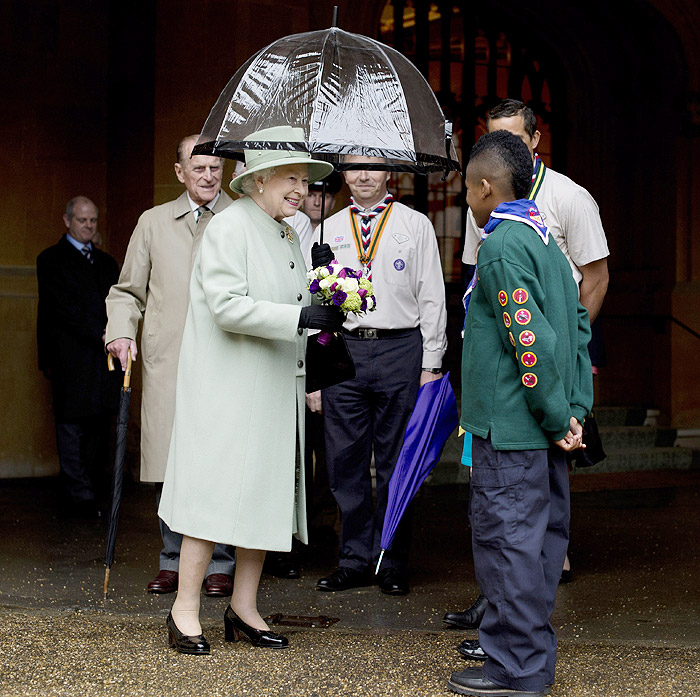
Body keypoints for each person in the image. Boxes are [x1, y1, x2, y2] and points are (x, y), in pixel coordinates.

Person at [157, 125, 341, 655]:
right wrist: (298, 313)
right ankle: (184, 610)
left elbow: (287, 302)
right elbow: (225, 304)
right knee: (211, 499)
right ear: (258, 179)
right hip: (229, 389)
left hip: (273, 386)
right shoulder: (230, 227)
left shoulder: (286, 233)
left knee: (264, 498)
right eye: (291, 177)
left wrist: (324, 292)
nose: (301, 189)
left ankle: (244, 607)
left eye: (305, 180)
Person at [445, 98, 610, 637]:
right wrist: (576, 407)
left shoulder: (506, 243)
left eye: (468, 189)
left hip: (517, 426)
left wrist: (560, 415)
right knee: (536, 540)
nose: (465, 199)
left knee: (508, 540)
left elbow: (532, 341)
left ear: (486, 187)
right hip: (542, 421)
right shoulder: (539, 235)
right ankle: (524, 652)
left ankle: (516, 662)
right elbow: (576, 333)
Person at [104, 135, 236, 597]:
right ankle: (174, 560)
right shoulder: (153, 222)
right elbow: (126, 291)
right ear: (180, 172)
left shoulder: (239, 218)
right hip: (170, 358)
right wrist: (120, 331)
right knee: (169, 463)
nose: (207, 176)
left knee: (218, 460)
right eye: (197, 168)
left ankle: (220, 562)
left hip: (225, 359)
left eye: (215, 168)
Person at [315, 156, 447, 596]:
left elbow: (432, 296)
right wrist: (316, 373)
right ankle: (353, 559)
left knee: (397, 462)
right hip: (345, 351)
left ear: (389, 172)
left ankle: (391, 561)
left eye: (373, 167)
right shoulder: (328, 229)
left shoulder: (415, 225)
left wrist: (432, 363)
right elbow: (317, 304)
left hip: (400, 349)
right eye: (354, 168)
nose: (364, 176)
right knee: (344, 460)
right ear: (344, 175)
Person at [36, 196, 120, 516]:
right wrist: (100, 334)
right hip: (70, 357)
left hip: (102, 360)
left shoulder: (107, 262)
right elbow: (62, 308)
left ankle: (88, 490)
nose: (88, 226)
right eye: (83, 220)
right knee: (71, 425)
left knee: (99, 424)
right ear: (67, 221)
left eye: (93, 221)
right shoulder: (51, 260)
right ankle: (78, 494)